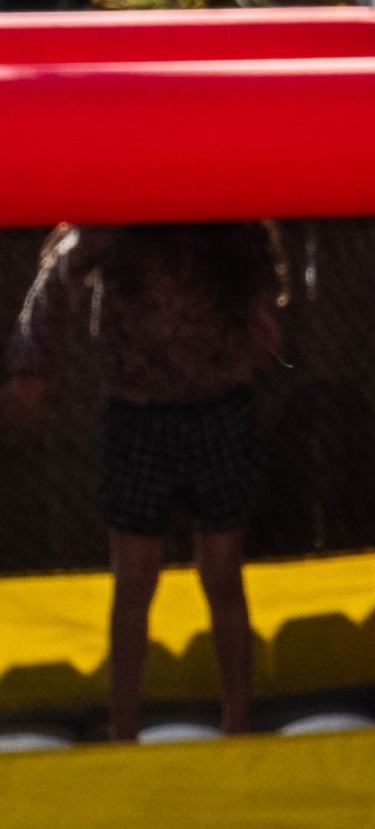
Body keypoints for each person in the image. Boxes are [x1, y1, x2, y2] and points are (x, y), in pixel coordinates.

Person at [2, 220, 286, 739]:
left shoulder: (226, 216)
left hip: (217, 402)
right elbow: (59, 276)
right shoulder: (118, 216)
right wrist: (30, 367)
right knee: (135, 573)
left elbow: (259, 264)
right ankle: (124, 728)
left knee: (222, 569)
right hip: (139, 408)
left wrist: (262, 309)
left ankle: (238, 722)